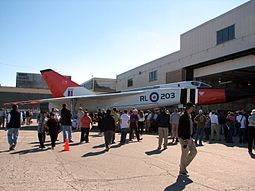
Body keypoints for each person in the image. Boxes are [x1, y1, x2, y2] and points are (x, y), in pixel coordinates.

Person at [178, 102, 197, 176]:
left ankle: (183, 165)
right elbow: (181, 129)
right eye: (192, 107)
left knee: (194, 152)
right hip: (184, 138)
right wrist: (183, 139)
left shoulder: (190, 115)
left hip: (189, 137)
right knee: (184, 154)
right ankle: (182, 170)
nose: (193, 108)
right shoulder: (183, 116)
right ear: (189, 108)